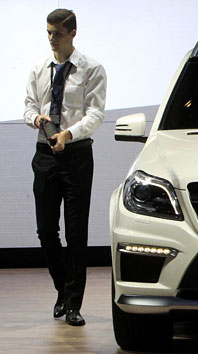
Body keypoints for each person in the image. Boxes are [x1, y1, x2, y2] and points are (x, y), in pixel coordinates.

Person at [24, 9, 107, 326]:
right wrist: (36, 119)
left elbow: (95, 114)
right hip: (45, 154)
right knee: (46, 230)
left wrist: (68, 134)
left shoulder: (91, 69)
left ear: (73, 33)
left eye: (57, 33)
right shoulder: (38, 68)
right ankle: (62, 289)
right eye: (48, 32)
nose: (51, 38)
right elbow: (29, 106)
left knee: (76, 232)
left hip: (76, 156)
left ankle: (73, 304)